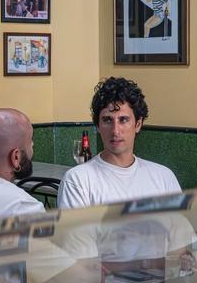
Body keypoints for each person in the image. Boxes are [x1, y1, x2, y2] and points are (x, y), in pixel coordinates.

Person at [58, 77, 180, 209]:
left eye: (123, 120)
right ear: (98, 126)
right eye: (107, 120)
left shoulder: (164, 177)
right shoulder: (77, 181)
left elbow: (182, 228)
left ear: (138, 124)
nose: (115, 131)